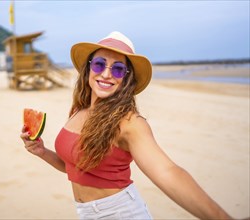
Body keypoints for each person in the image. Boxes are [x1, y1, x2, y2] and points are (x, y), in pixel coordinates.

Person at [20, 31, 233, 219]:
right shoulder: (79, 111)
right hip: (84, 213)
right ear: (88, 69)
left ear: (126, 78)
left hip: (120, 213)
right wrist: (42, 151)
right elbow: (74, 168)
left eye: (118, 69)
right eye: (99, 64)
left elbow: (168, 171)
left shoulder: (130, 123)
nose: (106, 74)